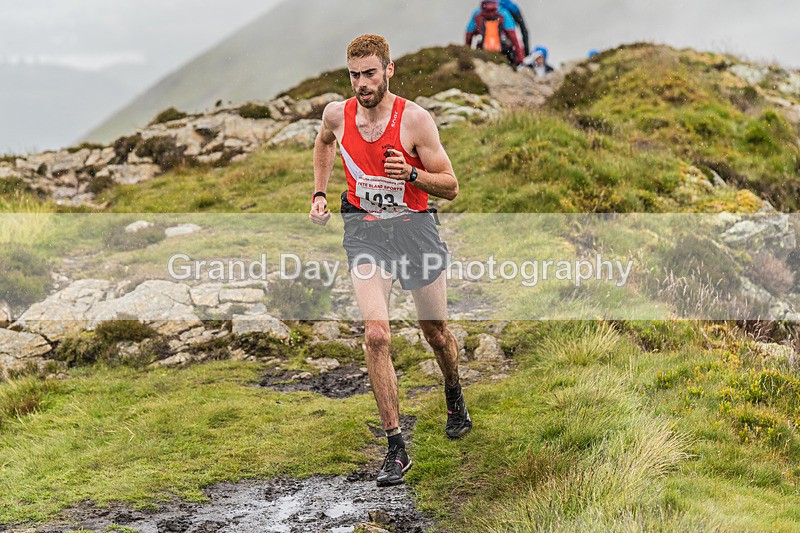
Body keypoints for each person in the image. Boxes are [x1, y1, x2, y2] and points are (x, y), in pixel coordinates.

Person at [309, 34, 472, 487]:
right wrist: (320, 193)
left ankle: (454, 392)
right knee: (377, 335)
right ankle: (396, 448)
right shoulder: (336, 116)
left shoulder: (416, 121)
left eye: (370, 74)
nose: (362, 84)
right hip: (365, 232)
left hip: (414, 231)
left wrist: (413, 173)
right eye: (354, 75)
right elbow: (324, 144)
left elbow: (451, 185)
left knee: (435, 333)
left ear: (389, 70)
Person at [465, 0, 524, 67]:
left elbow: (468, 35)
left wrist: (467, 52)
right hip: (502, 51)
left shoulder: (477, 13)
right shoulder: (503, 13)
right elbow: (513, 37)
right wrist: (520, 58)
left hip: (482, 51)